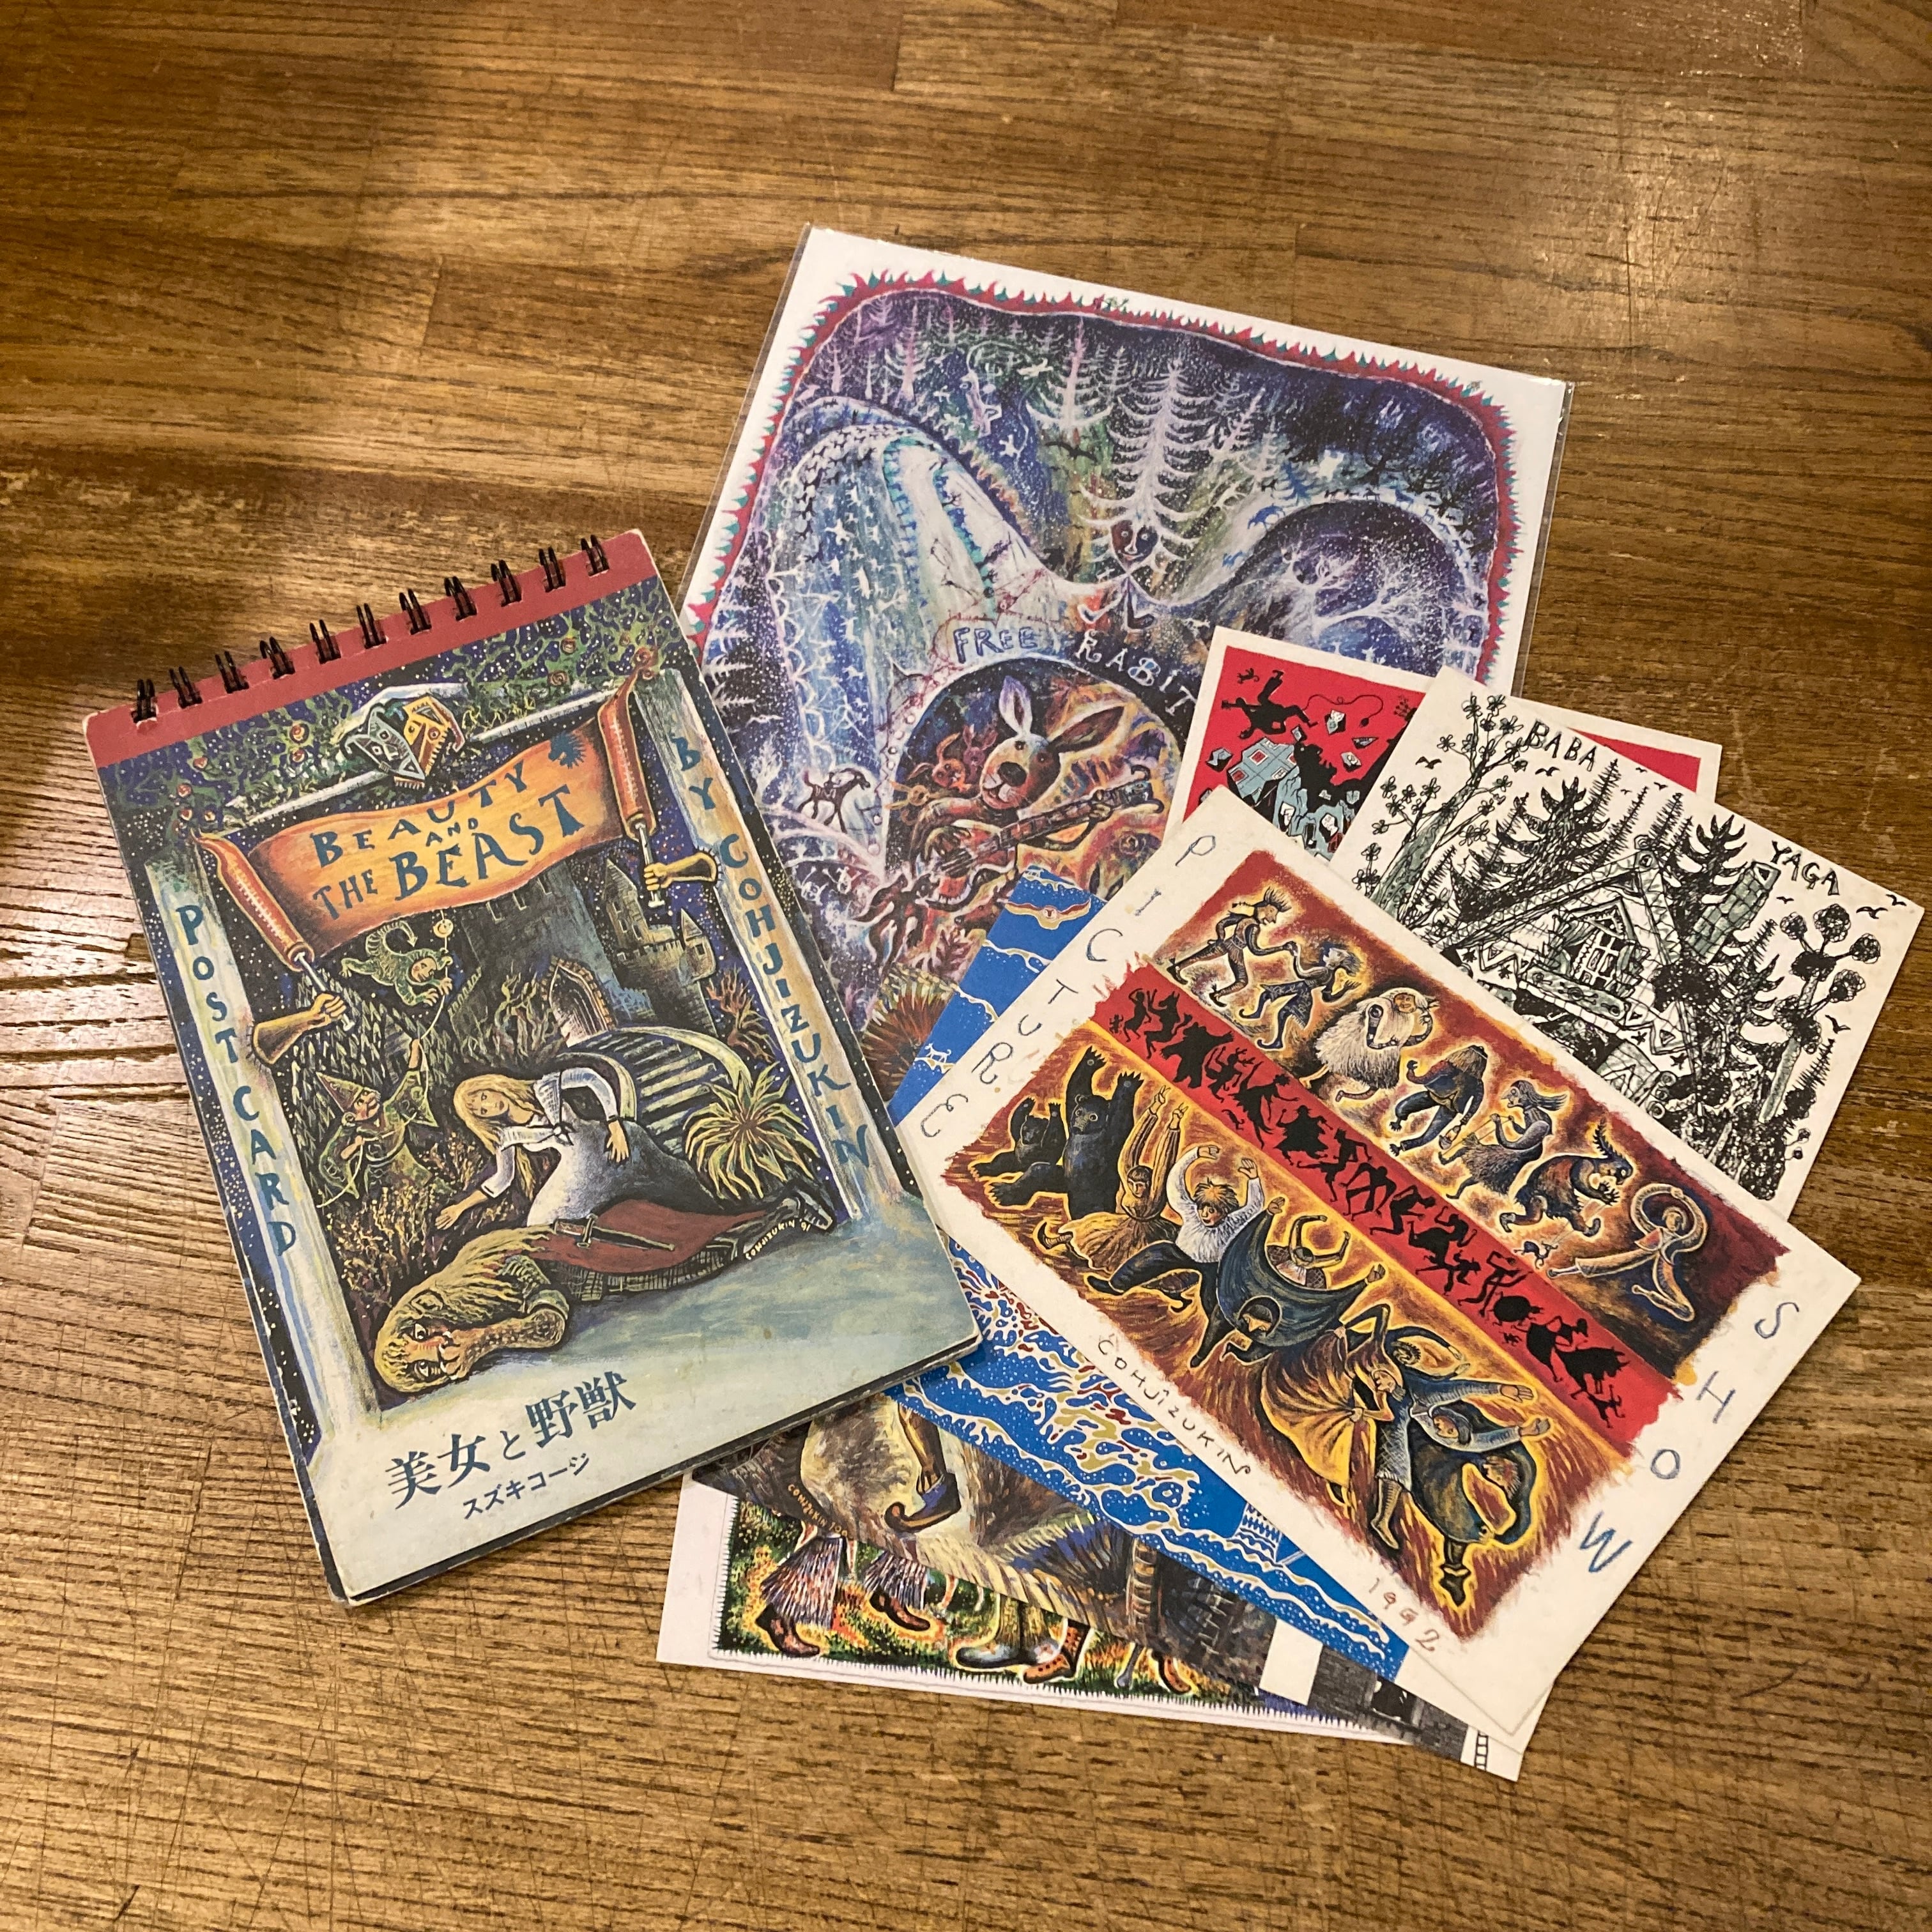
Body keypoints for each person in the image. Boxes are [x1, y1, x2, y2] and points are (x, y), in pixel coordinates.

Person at [1087, 1145, 1266, 1314]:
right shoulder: (1192, 1213)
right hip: (1179, 1253)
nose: (1204, 1214)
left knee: (1213, 1298)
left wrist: (1254, 1180)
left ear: (1224, 1212)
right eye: (1202, 1208)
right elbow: (1175, 1185)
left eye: (1211, 1211)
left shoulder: (1233, 1222)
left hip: (1212, 1265)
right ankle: (1116, 1286)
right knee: (1149, 1258)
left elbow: (1253, 1208)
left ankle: (1221, 1322)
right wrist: (1195, 1154)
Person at [1038, 1098, 1182, 1278]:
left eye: (1140, 1186)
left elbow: (1164, 1161)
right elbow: (1130, 1151)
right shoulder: (1128, 1180)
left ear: (1150, 1185)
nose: (1136, 1189)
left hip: (1150, 1234)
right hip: (1123, 1225)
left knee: (1143, 1263)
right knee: (1088, 1229)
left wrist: (1173, 1127)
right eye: (1133, 1184)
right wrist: (1153, 1111)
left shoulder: (1155, 1195)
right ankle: (1054, 1241)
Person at [1552, 1182, 1708, 1324]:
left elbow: (1698, 1230)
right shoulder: (1654, 1232)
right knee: (1604, 1263)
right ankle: (1562, 1271)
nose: (1674, 1221)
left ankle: (1650, 1295)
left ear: (1681, 1225)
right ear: (1665, 1219)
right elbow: (1639, 1202)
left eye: (1678, 1220)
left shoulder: (1679, 1242)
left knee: (1687, 1312)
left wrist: (1687, 1201)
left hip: (1664, 1273)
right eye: (1671, 1217)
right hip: (1636, 1256)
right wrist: (1667, 1189)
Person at [313, 1034, 434, 1204]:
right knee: (398, 1205)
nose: (367, 1100)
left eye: (365, 1094)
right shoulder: (359, 1131)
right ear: (354, 1114)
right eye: (360, 1102)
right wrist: (356, 1145)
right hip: (382, 1180)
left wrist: (415, 1050)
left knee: (432, 1189)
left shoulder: (390, 1108)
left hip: (409, 1164)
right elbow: (341, 1156)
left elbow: (409, 1080)